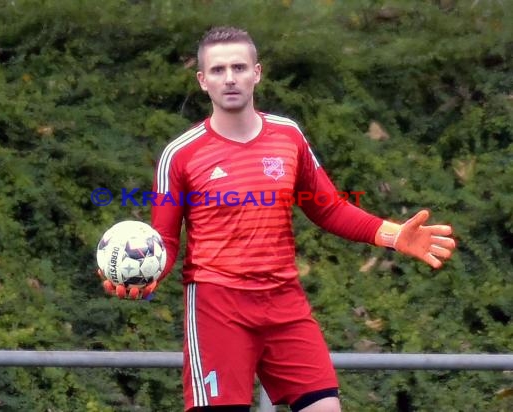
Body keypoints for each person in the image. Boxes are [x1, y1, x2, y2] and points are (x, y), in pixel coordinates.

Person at [101, 26, 456, 412]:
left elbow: (329, 208)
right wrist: (145, 278)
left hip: (285, 303)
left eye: (239, 67)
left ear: (257, 72)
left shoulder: (288, 136)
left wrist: (393, 236)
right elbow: (165, 242)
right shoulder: (181, 154)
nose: (230, 78)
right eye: (218, 70)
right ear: (203, 81)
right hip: (219, 308)